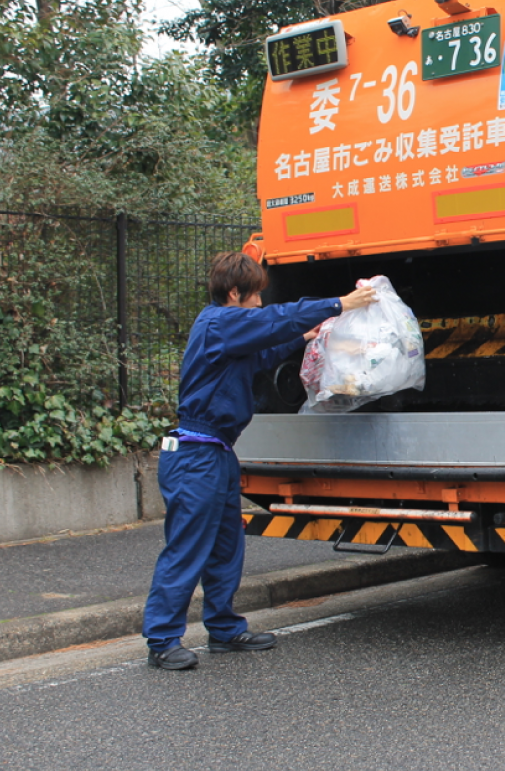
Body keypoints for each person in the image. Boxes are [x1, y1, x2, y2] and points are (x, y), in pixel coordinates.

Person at [144, 253, 377, 670]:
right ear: (235, 293)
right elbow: (276, 319)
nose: (260, 303)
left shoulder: (228, 336)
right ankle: (162, 640)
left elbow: (264, 354)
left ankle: (224, 629)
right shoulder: (218, 322)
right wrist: (340, 304)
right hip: (195, 455)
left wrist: (306, 335)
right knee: (187, 548)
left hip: (215, 453)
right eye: (256, 295)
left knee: (225, 546)